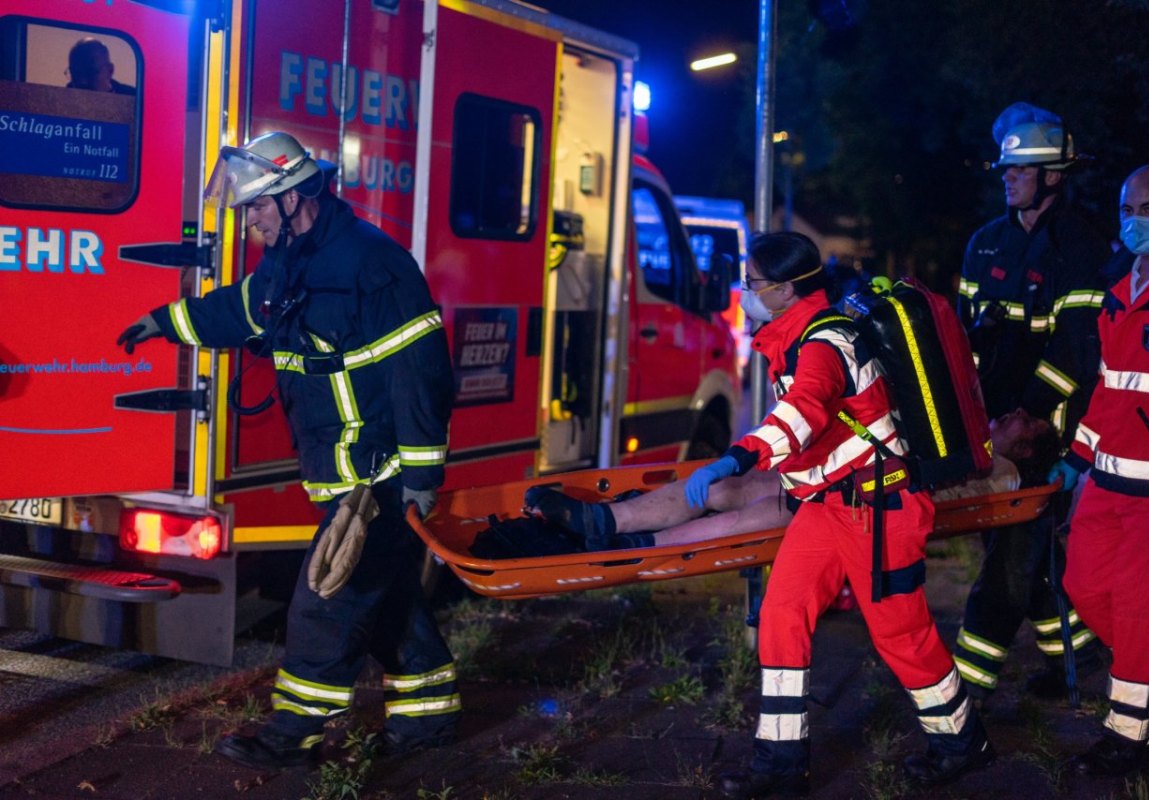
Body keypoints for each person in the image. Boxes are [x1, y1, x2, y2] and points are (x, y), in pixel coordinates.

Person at [116, 131, 459, 769]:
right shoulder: (292, 256)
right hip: (336, 467)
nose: (251, 220)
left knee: (326, 603)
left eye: (258, 206)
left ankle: (290, 736)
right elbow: (246, 310)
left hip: (374, 471)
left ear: (296, 194)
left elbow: (421, 372)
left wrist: (419, 473)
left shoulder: (372, 263)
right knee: (385, 601)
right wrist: (169, 322)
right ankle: (429, 716)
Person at [679, 232, 992, 798]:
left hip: (880, 510)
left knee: (902, 635)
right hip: (831, 506)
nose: (745, 292)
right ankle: (780, 763)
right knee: (781, 615)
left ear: (786, 289)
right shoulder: (797, 335)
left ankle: (961, 742)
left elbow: (802, 416)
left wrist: (735, 457)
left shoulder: (824, 344)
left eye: (752, 283)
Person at [953, 102, 1109, 704]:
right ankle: (1081, 653)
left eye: (1021, 169)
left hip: (1044, 435)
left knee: (1010, 560)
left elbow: (1076, 351)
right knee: (1024, 547)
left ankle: (965, 688)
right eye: (1006, 170)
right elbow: (964, 343)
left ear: (1054, 175)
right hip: (989, 429)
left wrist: (1027, 426)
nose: (1007, 177)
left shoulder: (1083, 246)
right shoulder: (985, 245)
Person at [1054, 164, 1149, 776]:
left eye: (1148, 207)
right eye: (1126, 209)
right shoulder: (1117, 285)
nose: (1136, 220)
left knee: (1137, 611)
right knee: (1082, 589)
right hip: (1107, 481)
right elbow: (1111, 387)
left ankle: (1128, 738)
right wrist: (1077, 457)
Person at [524, 407, 1060, 550]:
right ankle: (605, 520)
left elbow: (943, 495)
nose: (1013, 413)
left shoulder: (1003, 469)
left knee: (755, 513)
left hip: (866, 502)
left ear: (1026, 445)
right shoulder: (979, 442)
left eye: (1024, 421)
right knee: (727, 489)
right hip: (846, 476)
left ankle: (637, 543)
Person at [66, 38, 136, 95]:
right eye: (76, 73)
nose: (82, 81)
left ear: (110, 71)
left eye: (90, 72)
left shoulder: (133, 98)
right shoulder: (62, 98)